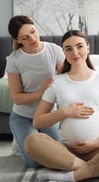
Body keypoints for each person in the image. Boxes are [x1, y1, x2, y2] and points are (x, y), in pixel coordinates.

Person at [24, 29, 99, 182]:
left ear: (87, 47)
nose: (75, 52)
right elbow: (37, 121)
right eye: (69, 49)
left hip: (98, 149)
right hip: (66, 152)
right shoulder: (56, 81)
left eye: (79, 46)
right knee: (32, 141)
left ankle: (72, 175)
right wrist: (64, 112)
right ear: (64, 53)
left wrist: (96, 143)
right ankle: (98, 169)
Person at [5, 15, 65, 167]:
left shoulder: (54, 50)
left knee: (60, 153)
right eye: (25, 37)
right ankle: (20, 141)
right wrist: (41, 92)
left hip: (47, 115)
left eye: (33, 31)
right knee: (35, 162)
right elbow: (17, 98)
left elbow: (66, 80)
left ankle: (30, 138)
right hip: (23, 116)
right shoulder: (14, 59)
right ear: (18, 40)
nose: (32, 38)